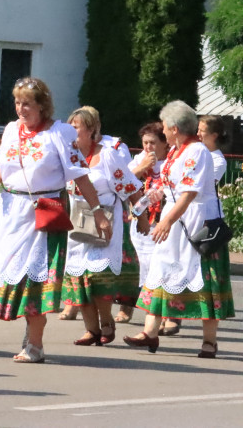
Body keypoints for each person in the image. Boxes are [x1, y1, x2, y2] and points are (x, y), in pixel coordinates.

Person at [0, 77, 109, 363]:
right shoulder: (12, 130)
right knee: (12, 274)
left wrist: (98, 212)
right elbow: (0, 168)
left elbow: (80, 175)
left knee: (36, 279)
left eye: (27, 104)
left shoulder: (59, 133)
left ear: (42, 106)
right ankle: (29, 335)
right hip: (12, 213)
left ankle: (34, 344)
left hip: (44, 213)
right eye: (17, 103)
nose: (20, 109)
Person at [124, 101, 235, 358]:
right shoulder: (175, 151)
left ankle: (209, 342)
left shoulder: (197, 151)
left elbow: (189, 193)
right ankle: (150, 334)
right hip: (176, 218)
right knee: (160, 271)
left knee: (204, 280)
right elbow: (165, 187)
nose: (162, 130)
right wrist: (141, 205)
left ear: (174, 128)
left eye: (164, 125)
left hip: (197, 222)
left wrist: (166, 221)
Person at [59, 107, 143, 347]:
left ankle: (106, 322)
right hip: (76, 221)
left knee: (97, 276)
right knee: (78, 276)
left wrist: (143, 216)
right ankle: (91, 329)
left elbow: (130, 187)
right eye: (70, 127)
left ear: (92, 130)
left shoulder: (108, 155)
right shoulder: (69, 156)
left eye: (76, 127)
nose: (72, 132)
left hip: (104, 219)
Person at [120, 122, 168, 328]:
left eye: (153, 143)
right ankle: (126, 307)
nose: (148, 147)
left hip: (164, 220)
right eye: (145, 143)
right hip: (141, 220)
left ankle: (165, 314)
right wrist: (143, 167)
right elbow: (124, 182)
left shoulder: (172, 160)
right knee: (137, 263)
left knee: (162, 266)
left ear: (165, 144)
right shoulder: (140, 159)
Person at [198, 115, 227, 184]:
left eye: (202, 131)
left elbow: (205, 186)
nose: (197, 134)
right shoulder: (194, 150)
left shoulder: (218, 161)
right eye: (198, 129)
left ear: (214, 136)